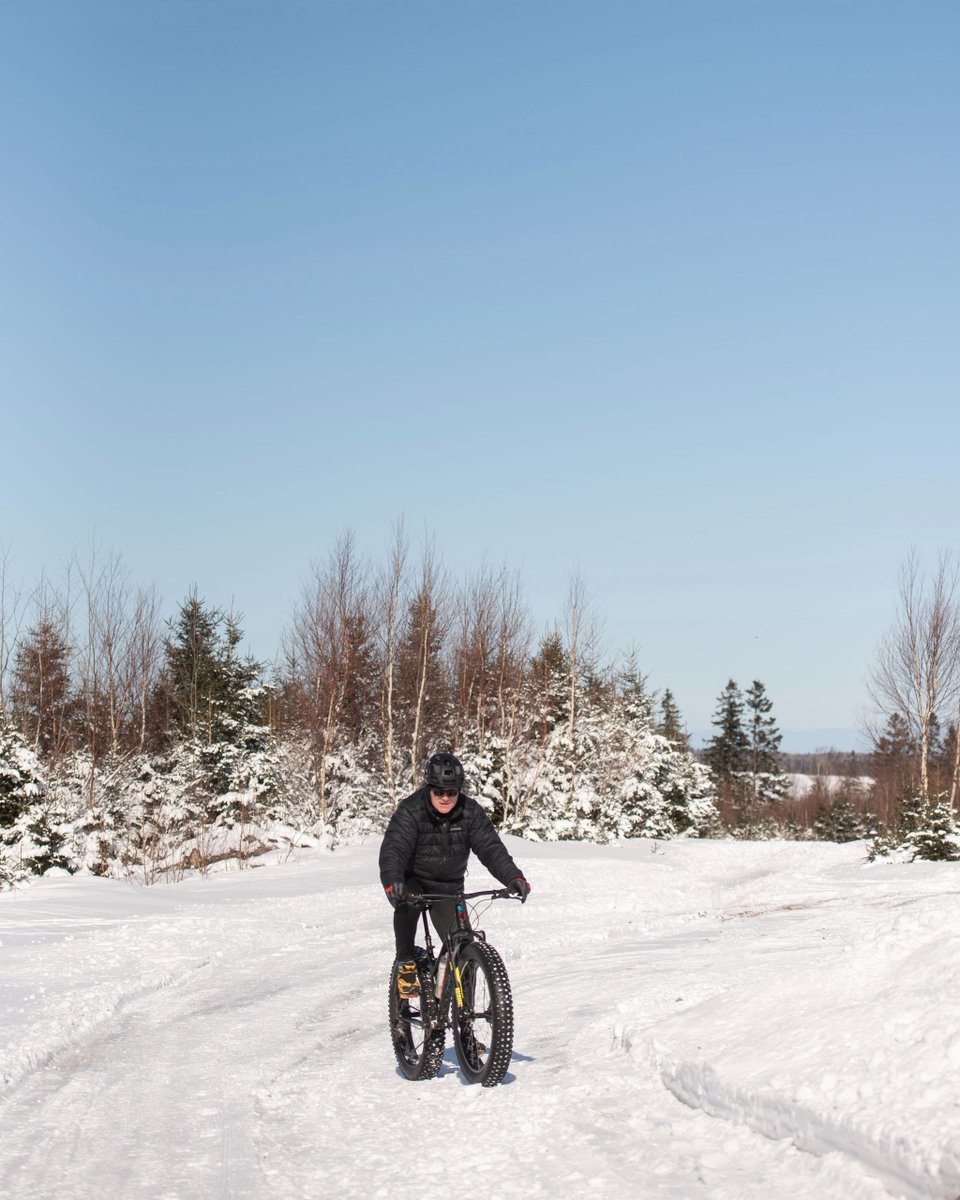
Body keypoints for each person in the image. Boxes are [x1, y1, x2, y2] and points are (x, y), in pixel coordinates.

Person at [379, 751, 531, 997]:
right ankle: (405, 962)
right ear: (429, 788)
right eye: (439, 791)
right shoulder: (411, 810)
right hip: (413, 881)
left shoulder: (470, 812)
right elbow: (393, 850)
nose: (445, 797)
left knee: (462, 947)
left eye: (451, 792)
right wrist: (393, 882)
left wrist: (513, 877)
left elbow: (491, 849)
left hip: (448, 887)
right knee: (407, 901)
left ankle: (465, 1021)